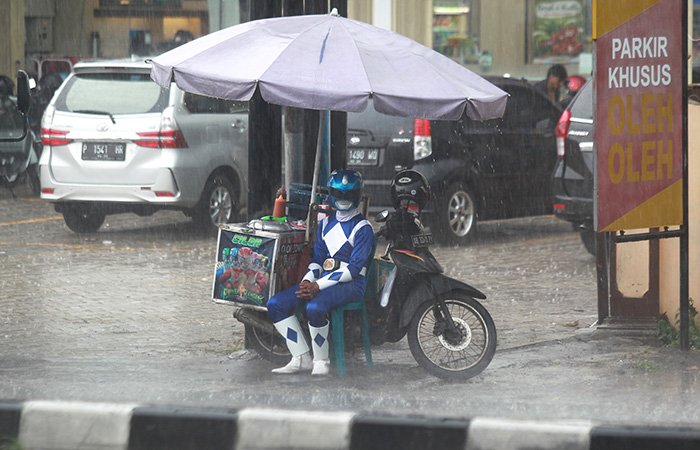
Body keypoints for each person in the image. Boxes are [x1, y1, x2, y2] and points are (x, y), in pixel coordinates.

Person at [266, 169, 375, 375]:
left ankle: (321, 361)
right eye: (340, 194)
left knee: (315, 307)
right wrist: (308, 281)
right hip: (322, 281)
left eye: (348, 194)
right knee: (276, 304)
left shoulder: (363, 228)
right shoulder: (325, 223)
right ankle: (300, 357)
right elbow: (317, 260)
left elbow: (353, 270)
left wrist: (318, 285)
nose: (343, 199)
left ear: (358, 195)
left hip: (351, 285)